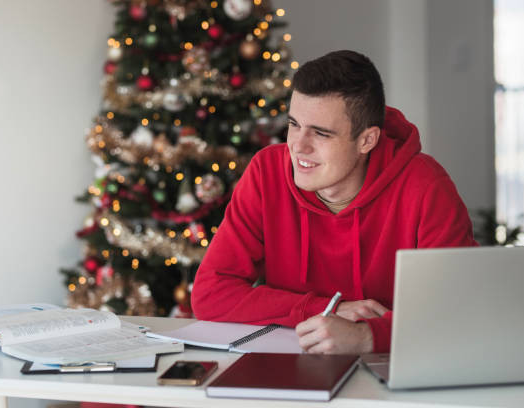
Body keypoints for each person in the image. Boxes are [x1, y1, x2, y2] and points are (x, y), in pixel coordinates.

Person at [191, 50, 477, 354]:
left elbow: (458, 309)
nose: (298, 147)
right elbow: (210, 293)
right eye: (294, 124)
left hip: (397, 365)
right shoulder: (266, 173)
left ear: (367, 140)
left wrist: (369, 336)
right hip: (295, 364)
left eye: (321, 133)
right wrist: (326, 309)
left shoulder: (425, 185)